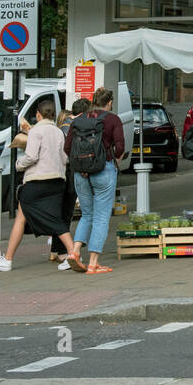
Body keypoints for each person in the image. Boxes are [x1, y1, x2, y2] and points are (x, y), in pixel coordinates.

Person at [0, 98, 85, 272]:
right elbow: (65, 159)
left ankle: (7, 259)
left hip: (36, 183)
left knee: (20, 218)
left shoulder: (36, 132)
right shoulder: (58, 132)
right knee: (56, 219)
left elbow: (32, 157)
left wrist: (18, 164)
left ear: (38, 115)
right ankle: (73, 254)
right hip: (57, 182)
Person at [63, 87, 126, 274]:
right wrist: (114, 161)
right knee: (101, 217)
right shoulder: (113, 120)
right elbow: (120, 147)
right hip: (103, 170)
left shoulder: (80, 120)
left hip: (80, 173)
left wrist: (82, 166)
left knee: (86, 214)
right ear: (110, 103)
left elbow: (68, 147)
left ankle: (74, 252)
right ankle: (93, 262)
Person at [47, 98, 89, 270]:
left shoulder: (63, 125)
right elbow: (68, 151)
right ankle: (65, 252)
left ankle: (57, 250)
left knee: (63, 212)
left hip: (61, 173)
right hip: (68, 173)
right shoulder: (72, 127)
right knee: (65, 212)